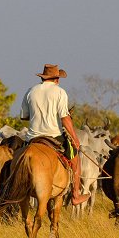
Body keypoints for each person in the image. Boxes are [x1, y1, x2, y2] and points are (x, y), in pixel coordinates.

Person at [20, 64, 89, 206]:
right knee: (76, 160)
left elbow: (24, 116)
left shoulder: (30, 91)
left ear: (43, 77)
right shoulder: (60, 92)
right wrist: (75, 138)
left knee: (16, 158)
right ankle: (76, 195)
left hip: (32, 138)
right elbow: (65, 118)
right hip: (54, 136)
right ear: (56, 79)